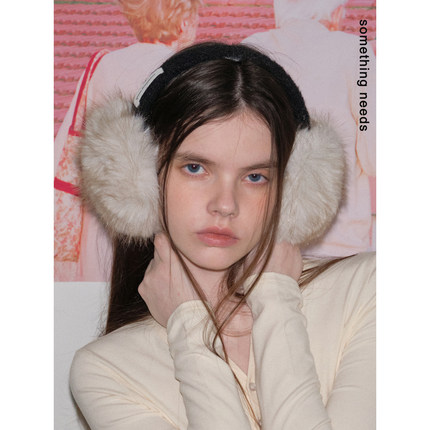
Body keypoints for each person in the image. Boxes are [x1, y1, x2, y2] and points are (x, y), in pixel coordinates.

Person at [70, 42, 375, 429]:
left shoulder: (370, 290)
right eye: (195, 168)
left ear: (293, 191)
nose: (225, 204)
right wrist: (190, 327)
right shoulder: (107, 371)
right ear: (138, 178)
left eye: (255, 176)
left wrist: (276, 298)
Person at [54, 0, 201, 281]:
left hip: (100, 215)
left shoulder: (103, 64)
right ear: (184, 21)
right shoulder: (184, 71)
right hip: (160, 215)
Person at [242, 0, 376, 258]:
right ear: (337, 13)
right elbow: (375, 156)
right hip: (338, 247)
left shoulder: (251, 49)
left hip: (262, 247)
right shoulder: (355, 52)